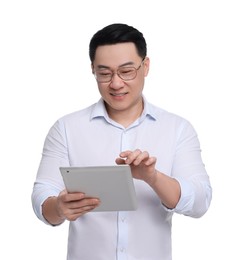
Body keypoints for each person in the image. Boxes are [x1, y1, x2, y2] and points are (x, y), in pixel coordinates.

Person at [31, 23, 212, 260]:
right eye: (104, 73)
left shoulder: (177, 129)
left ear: (145, 66)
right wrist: (58, 207)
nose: (116, 84)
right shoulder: (66, 128)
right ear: (92, 70)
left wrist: (152, 177)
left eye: (127, 71)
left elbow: (200, 202)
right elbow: (42, 194)